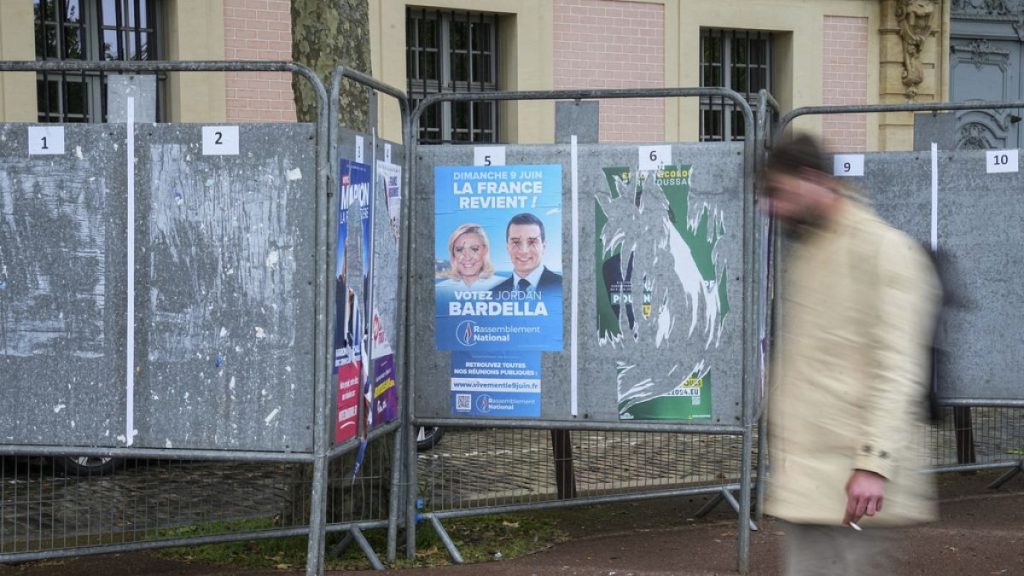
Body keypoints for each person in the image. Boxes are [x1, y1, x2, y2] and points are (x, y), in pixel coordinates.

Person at [760, 134, 940, 575]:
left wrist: (873, 464)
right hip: (811, 482)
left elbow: (898, 368)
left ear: (813, 180)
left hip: (856, 488)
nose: (770, 207)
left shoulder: (886, 250)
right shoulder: (807, 252)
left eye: (778, 193)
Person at [491, 212, 562, 296]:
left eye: (532, 242)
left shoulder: (563, 287)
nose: (524, 251)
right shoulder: (493, 294)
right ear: (508, 248)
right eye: (516, 242)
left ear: (544, 246)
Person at [436, 223, 500, 290]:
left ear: (485, 251)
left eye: (474, 249)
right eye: (460, 250)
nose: (467, 257)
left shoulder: (503, 286)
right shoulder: (439, 290)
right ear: (453, 254)